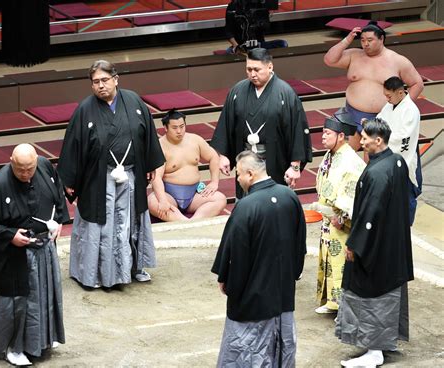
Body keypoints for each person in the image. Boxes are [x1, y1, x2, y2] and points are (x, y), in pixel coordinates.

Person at [58, 60, 165, 289]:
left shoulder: (134, 100)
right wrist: (68, 179)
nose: (100, 86)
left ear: (116, 79)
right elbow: (72, 146)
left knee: (130, 222)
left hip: (131, 175)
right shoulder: (85, 109)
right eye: (95, 82)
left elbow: (147, 134)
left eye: (104, 80)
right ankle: (97, 274)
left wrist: (149, 164)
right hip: (99, 178)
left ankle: (133, 267)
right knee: (102, 225)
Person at [0, 143, 68, 366]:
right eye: (20, 169)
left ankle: (44, 338)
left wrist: (58, 223)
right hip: (15, 257)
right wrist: (9, 236)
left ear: (37, 160)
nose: (26, 174)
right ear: (11, 161)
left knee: (45, 296)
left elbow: (58, 196)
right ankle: (14, 348)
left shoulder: (45, 167)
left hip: (43, 248)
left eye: (30, 168)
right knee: (18, 304)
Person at [212, 150, 306, 367]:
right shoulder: (290, 196)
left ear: (250, 174)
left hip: (253, 297)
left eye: (239, 175)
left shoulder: (246, 206)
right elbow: (299, 243)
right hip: (282, 290)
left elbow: (235, 253)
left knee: (248, 349)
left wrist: (228, 282)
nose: (237, 179)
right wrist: (293, 273)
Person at [336, 118, 414, 367]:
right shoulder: (397, 161)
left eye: (366, 137)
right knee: (387, 287)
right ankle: (382, 343)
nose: (362, 141)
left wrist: (355, 243)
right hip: (393, 241)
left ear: (378, 140)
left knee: (372, 291)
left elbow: (371, 212)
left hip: (377, 246)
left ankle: (375, 351)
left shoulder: (379, 172)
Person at [211, 47, 312, 198]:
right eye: (249, 69)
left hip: (274, 158)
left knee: (273, 202)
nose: (252, 74)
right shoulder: (238, 91)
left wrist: (295, 166)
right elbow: (226, 124)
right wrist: (223, 155)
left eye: (257, 69)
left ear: (270, 67)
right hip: (245, 158)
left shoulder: (285, 93)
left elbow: (297, 130)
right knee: (245, 202)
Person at [324, 20, 424, 151]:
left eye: (370, 40)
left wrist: (401, 109)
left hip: (381, 117)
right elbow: (329, 59)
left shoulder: (397, 61)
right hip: (352, 114)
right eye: (363, 40)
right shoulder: (354, 55)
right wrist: (347, 40)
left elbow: (417, 84)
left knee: (373, 161)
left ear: (381, 39)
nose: (366, 44)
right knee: (342, 154)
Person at [312, 109, 365, 314]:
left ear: (341, 136)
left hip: (342, 221)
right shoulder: (330, 155)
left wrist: (341, 216)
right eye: (323, 132)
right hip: (330, 218)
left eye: (327, 133)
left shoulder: (351, 161)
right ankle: (334, 302)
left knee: (342, 261)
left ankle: (346, 307)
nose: (323, 136)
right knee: (330, 258)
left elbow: (351, 193)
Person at [148, 110, 227, 221]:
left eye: (182, 126)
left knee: (220, 199)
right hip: (169, 194)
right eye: (174, 128)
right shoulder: (160, 146)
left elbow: (213, 157)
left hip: (194, 194)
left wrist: (214, 182)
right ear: (166, 128)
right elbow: (156, 178)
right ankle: (184, 222)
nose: (179, 131)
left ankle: (193, 221)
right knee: (153, 202)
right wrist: (162, 200)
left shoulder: (195, 140)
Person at [377, 76, 422, 225]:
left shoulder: (411, 110)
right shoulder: (389, 106)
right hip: (387, 157)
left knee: (406, 195)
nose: (387, 99)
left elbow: (404, 137)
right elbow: (379, 121)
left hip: (404, 156)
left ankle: (405, 227)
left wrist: (380, 137)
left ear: (401, 93)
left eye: (389, 96)